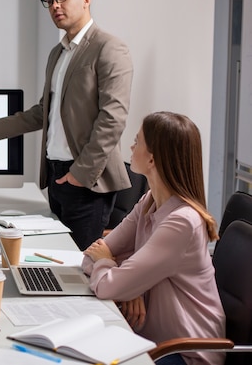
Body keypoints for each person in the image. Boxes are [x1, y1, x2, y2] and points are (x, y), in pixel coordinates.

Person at [0, 0, 133, 250]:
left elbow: (112, 119)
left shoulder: (109, 48)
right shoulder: (58, 53)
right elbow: (43, 111)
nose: (55, 5)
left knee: (79, 270)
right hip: (56, 176)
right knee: (55, 260)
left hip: (86, 181)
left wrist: (80, 173)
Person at [82, 112, 225, 365]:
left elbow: (107, 285)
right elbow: (91, 257)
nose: (131, 146)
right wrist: (131, 287)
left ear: (152, 159)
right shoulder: (149, 202)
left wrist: (124, 281)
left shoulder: (183, 222)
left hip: (184, 352)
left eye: (137, 141)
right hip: (150, 339)